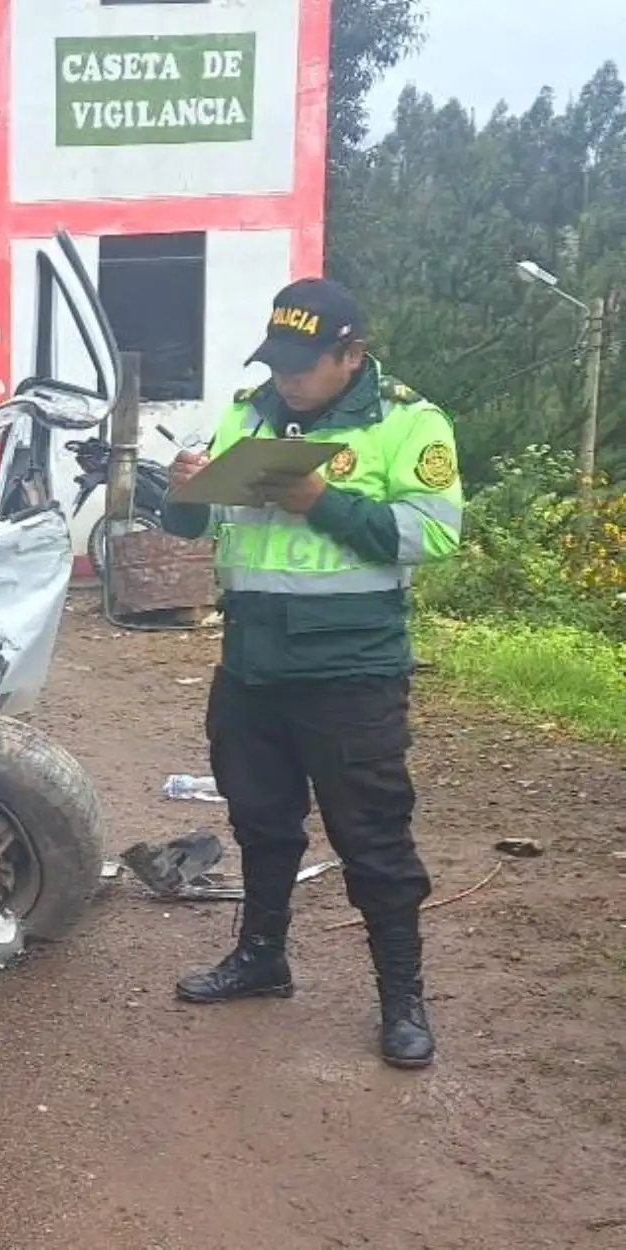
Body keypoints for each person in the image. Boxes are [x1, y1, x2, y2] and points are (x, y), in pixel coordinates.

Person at [160, 278, 463, 1069]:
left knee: (373, 838)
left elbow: (433, 536)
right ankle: (262, 958)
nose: (286, 378)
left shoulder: (408, 421)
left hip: (350, 672)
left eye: (302, 365)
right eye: (277, 363)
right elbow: (200, 523)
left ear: (351, 355)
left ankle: (401, 999)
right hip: (252, 664)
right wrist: (183, 495)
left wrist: (321, 499)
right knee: (261, 821)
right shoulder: (248, 413)